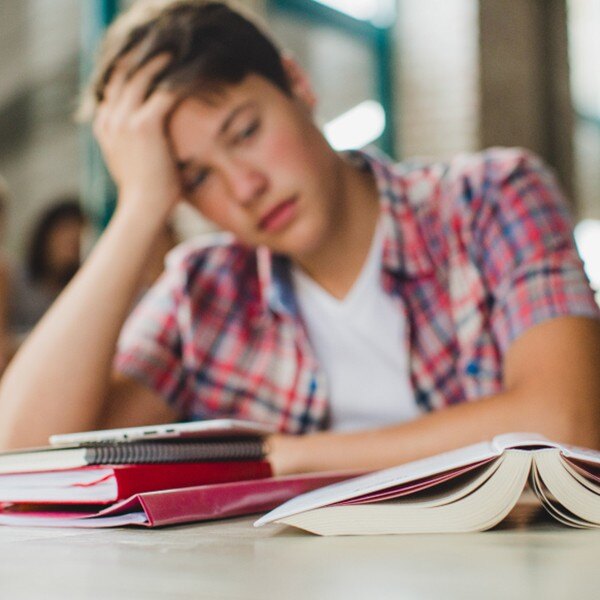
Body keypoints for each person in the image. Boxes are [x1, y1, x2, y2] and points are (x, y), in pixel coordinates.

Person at [0, 0, 598, 475]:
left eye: (245, 131)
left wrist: (285, 454)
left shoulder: (490, 198)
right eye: (197, 176)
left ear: (297, 83)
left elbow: (567, 422)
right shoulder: (203, 293)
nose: (245, 186)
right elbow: (19, 455)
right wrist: (138, 209)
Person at [0, 198, 88, 370]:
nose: (71, 241)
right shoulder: (12, 276)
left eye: (77, 238)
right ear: (47, 234)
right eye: (64, 232)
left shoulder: (78, 287)